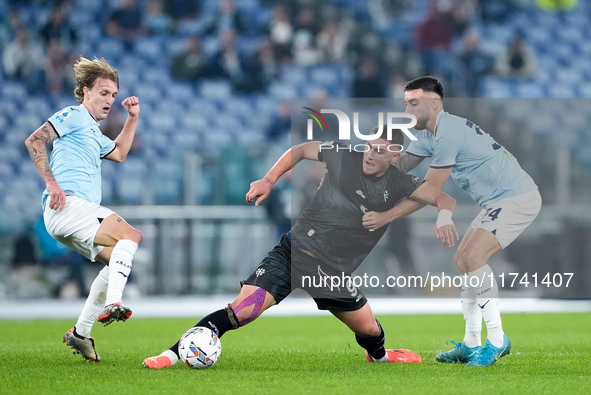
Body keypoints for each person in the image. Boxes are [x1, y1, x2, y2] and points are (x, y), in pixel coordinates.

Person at [142, 126, 459, 369]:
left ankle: (380, 357)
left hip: (331, 272)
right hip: (292, 254)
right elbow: (300, 150)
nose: (370, 154)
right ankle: (169, 355)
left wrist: (395, 214)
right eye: (369, 146)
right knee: (242, 311)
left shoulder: (401, 183)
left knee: (370, 330)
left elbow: (444, 199)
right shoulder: (342, 156)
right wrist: (268, 180)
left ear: (395, 157)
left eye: (380, 151)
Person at [374, 76, 541, 366]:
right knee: (464, 261)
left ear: (434, 103)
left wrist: (387, 216)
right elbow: (397, 169)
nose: (408, 109)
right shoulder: (428, 135)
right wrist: (354, 173)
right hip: (497, 200)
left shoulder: (447, 131)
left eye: (414, 103)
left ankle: (498, 341)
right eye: (406, 103)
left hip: (517, 197)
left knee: (473, 256)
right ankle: (471, 342)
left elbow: (428, 191)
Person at [24, 56, 143, 363]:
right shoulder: (74, 115)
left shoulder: (92, 131)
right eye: (103, 93)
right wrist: (52, 185)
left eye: (113, 95)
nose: (109, 100)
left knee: (119, 255)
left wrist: (132, 118)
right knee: (131, 235)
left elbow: (119, 153)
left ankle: (81, 332)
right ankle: (115, 301)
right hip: (67, 204)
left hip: (74, 213)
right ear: (86, 92)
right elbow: (35, 140)